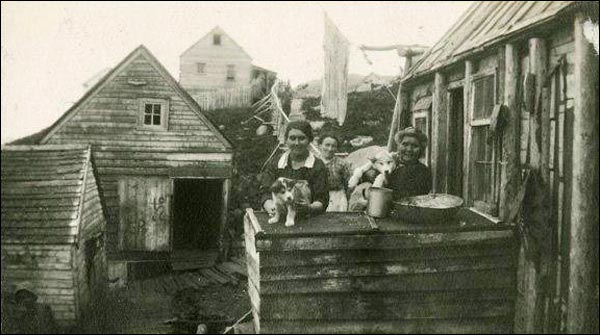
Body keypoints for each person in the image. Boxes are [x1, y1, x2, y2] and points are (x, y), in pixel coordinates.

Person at [260, 120, 329, 217]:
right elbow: (265, 192)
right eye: (292, 138)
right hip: (277, 217)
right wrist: (271, 207)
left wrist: (309, 208)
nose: (297, 143)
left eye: (302, 138)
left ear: (309, 140)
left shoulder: (317, 165)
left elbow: (322, 199)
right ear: (286, 140)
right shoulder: (276, 163)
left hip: (308, 219)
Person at [388, 127, 432, 200]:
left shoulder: (422, 172)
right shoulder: (391, 164)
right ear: (399, 146)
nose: (409, 149)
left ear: (421, 149)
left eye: (415, 146)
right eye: (405, 144)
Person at [318, 132, 352, 212]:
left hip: (337, 197)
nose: (330, 149)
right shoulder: (313, 162)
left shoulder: (342, 164)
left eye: (333, 146)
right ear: (320, 146)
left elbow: (349, 183)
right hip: (317, 197)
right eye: (327, 145)